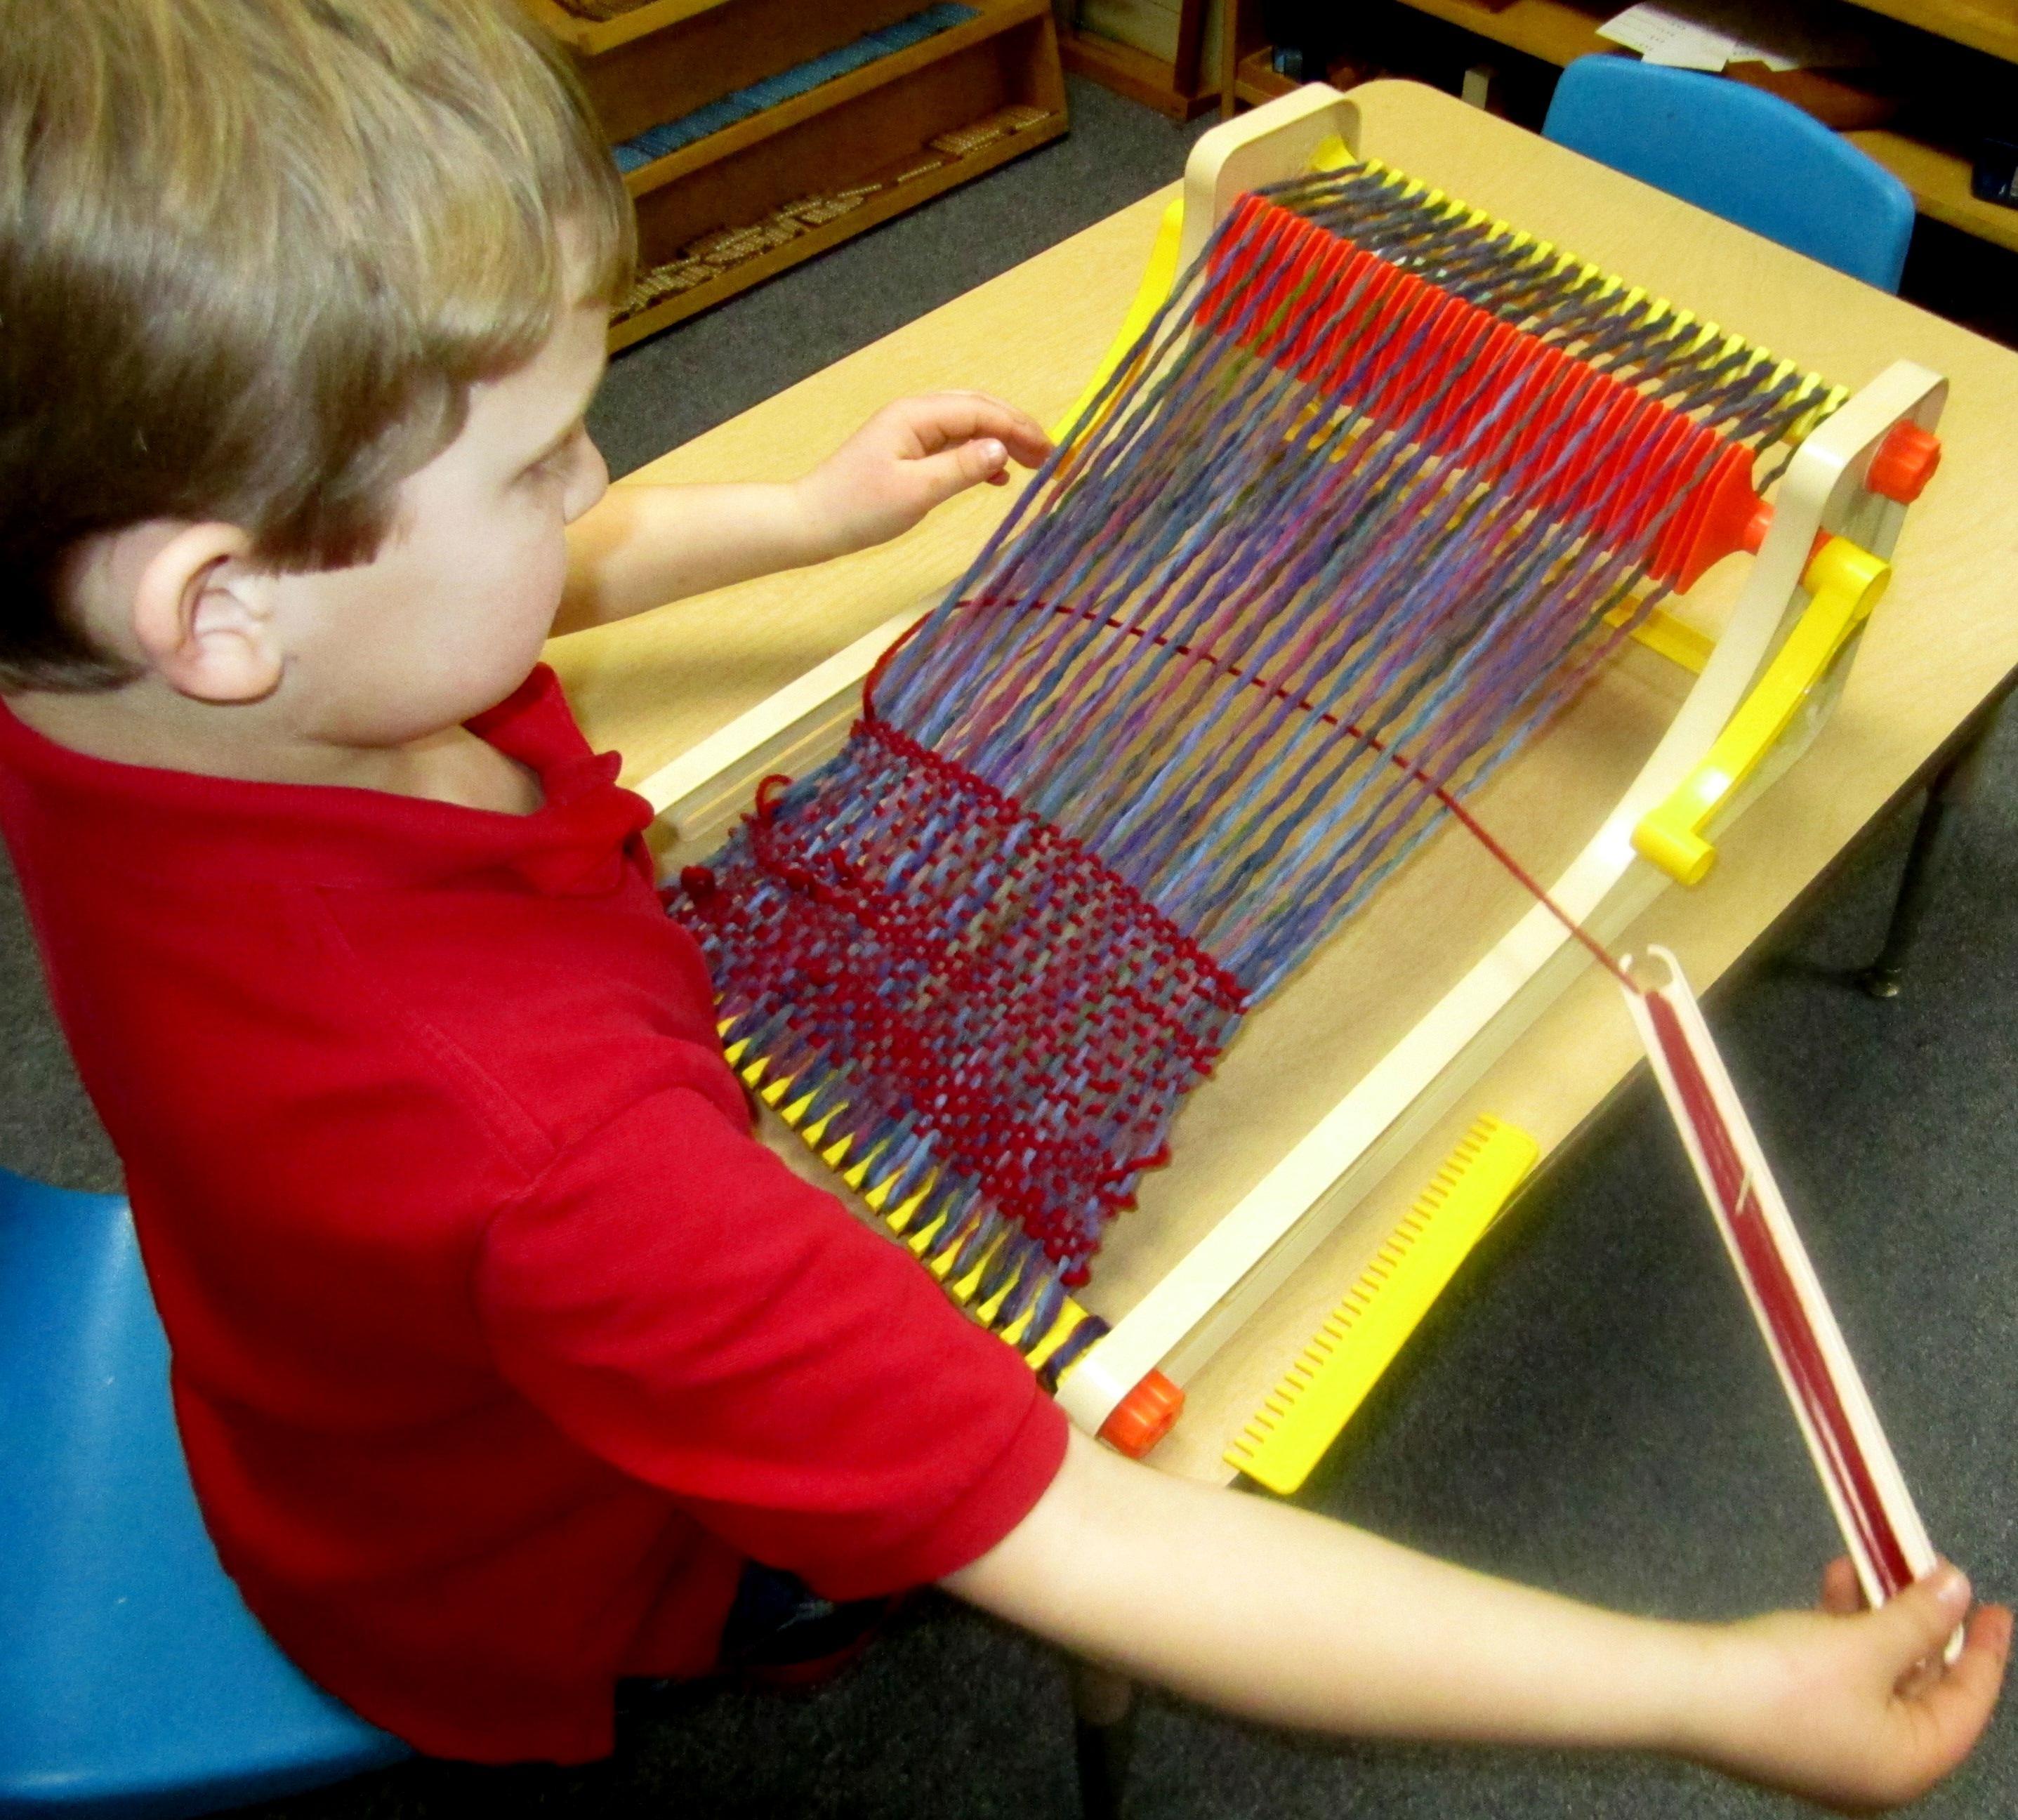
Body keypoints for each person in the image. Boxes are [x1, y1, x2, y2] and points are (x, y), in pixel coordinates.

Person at [0, 0, 2003, 1806]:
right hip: (505, 1547)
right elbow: (1096, 1543)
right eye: (539, 467)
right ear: (221, 603)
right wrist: (1700, 1696)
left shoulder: (116, 703)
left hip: (313, 1391)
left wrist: (794, 524)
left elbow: (468, 614)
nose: (592, 482)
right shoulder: (553, 1162)